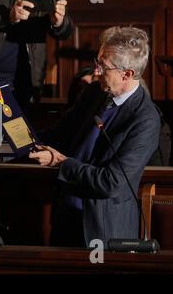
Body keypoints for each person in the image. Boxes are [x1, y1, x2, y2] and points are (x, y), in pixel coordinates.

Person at [28, 26, 161, 248]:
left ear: (127, 74)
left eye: (103, 67)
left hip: (103, 230)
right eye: (97, 62)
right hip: (66, 214)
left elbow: (111, 182)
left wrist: (61, 163)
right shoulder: (94, 92)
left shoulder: (146, 120)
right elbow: (59, 133)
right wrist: (15, 143)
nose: (96, 72)